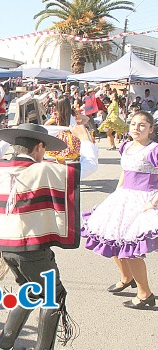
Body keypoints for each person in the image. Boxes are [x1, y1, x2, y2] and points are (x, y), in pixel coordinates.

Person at [0, 123, 98, 350]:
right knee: (52, 296)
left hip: (6, 248)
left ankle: (3, 345)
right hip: (32, 249)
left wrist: (7, 138)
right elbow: (88, 166)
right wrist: (85, 138)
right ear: (40, 147)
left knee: (31, 293)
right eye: (44, 149)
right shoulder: (44, 170)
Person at [81, 111, 157, 310]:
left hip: (145, 199)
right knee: (111, 237)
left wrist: (153, 203)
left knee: (131, 247)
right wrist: (117, 192)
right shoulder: (126, 146)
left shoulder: (154, 149)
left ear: (151, 128)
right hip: (123, 197)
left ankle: (145, 294)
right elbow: (125, 172)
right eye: (133, 124)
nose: (136, 128)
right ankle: (126, 277)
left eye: (142, 125)